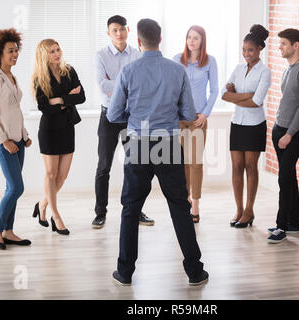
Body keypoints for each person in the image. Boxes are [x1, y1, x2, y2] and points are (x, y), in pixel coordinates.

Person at [108, 18, 208, 286]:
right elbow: (188, 113)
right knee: (179, 206)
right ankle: (195, 272)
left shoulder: (128, 72)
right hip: (167, 143)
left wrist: (137, 113)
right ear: (160, 39)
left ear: (138, 41)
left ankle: (125, 272)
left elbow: (114, 113)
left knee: (130, 209)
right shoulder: (177, 71)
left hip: (138, 143)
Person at [93, 15, 154, 229]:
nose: (119, 33)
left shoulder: (138, 55)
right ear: (109, 33)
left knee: (137, 165)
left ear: (128, 30)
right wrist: (127, 82)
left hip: (132, 116)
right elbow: (102, 85)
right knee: (104, 167)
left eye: (122, 29)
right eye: (114, 30)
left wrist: (116, 82)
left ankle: (135, 210)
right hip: (108, 116)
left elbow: (143, 84)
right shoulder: (100, 55)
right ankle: (100, 212)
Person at [267, 28, 299, 244]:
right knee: (289, 176)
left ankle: (281, 226)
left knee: (283, 177)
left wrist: (289, 134)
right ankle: (293, 222)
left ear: (296, 45)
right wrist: (279, 129)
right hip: (280, 128)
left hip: (294, 132)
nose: (280, 47)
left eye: (283, 44)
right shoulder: (289, 69)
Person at [0, 28, 32, 249]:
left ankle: (8, 231)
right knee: (16, 188)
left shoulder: (12, 76)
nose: (15, 54)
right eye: (10, 51)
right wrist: (4, 141)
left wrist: (25, 136)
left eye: (16, 50)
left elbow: (15, 111)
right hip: (4, 143)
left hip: (18, 141)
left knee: (10, 188)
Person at [31, 39, 86, 236]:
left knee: (62, 176)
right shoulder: (40, 77)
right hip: (49, 130)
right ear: (44, 55)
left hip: (67, 127)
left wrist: (60, 100)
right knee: (51, 174)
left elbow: (81, 96)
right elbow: (44, 107)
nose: (56, 53)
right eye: (52, 51)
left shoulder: (69, 71)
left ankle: (42, 204)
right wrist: (68, 98)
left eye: (57, 49)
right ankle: (56, 216)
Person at [221, 24, 271, 229]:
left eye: (250, 50)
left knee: (251, 167)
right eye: (244, 50)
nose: (246, 54)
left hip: (254, 124)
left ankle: (249, 210)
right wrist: (245, 96)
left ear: (259, 49)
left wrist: (236, 96)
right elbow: (224, 94)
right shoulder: (238, 68)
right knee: (236, 167)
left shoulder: (265, 72)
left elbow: (257, 102)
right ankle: (239, 209)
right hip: (238, 122)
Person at [173, 25, 219, 223]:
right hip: (178, 119)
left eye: (196, 38)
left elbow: (215, 90)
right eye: (189, 37)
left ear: (202, 41)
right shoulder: (177, 60)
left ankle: (196, 204)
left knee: (195, 162)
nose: (191, 41)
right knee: (181, 162)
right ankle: (185, 199)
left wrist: (205, 115)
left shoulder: (210, 61)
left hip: (197, 120)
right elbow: (171, 88)